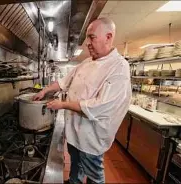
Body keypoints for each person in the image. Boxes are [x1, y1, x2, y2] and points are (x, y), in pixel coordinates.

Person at [33, 17, 132, 184]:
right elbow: (63, 82)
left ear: (108, 37)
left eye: (92, 37)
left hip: (91, 137)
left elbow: (100, 106)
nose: (88, 43)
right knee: (76, 167)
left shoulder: (119, 67)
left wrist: (63, 105)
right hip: (74, 133)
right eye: (87, 37)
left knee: (94, 175)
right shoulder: (85, 63)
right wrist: (45, 90)